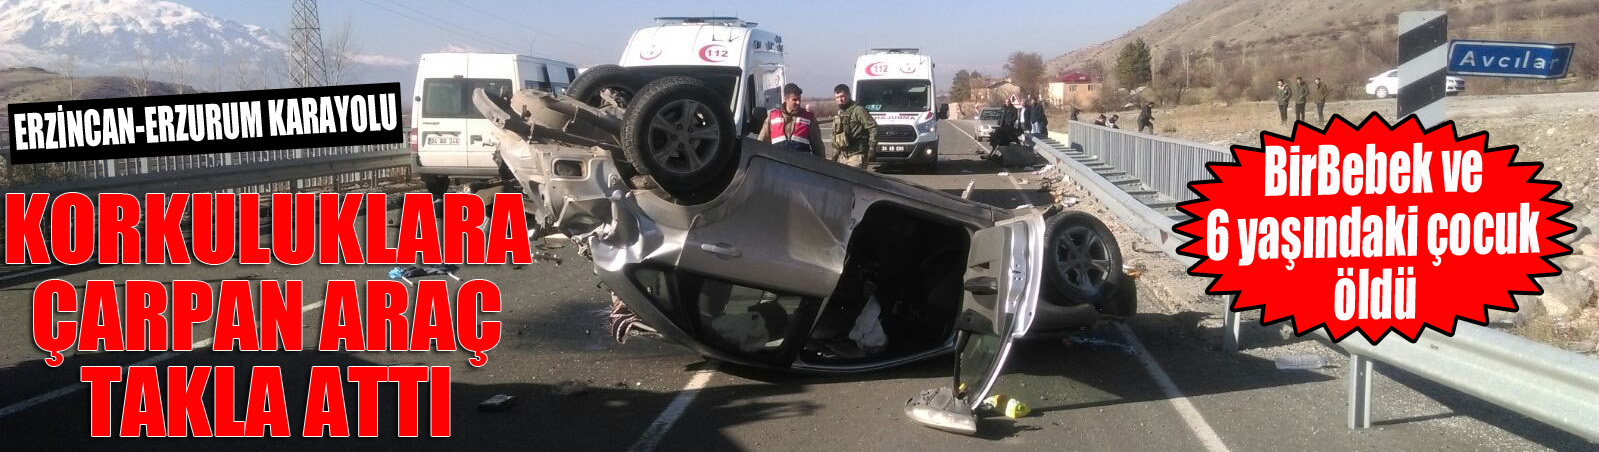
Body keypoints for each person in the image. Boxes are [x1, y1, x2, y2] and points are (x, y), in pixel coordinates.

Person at [758, 83, 825, 158]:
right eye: (794, 100)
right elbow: (761, 144)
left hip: (801, 166)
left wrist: (822, 166)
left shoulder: (809, 118)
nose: (798, 102)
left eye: (799, 99)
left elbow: (818, 147)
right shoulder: (772, 117)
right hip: (777, 166)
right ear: (786, 99)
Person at [831, 84, 879, 169]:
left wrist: (872, 149)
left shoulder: (858, 110)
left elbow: (873, 128)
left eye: (842, 96)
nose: (840, 100)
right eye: (837, 97)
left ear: (849, 95)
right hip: (843, 157)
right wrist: (835, 155)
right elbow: (838, 135)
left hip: (857, 156)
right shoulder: (840, 113)